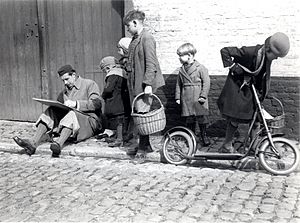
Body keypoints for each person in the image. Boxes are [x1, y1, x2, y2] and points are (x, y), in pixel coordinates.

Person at [217, 32, 290, 153]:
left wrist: (263, 93)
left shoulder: (265, 58)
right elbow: (225, 51)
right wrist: (234, 67)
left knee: (256, 120)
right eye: (276, 55)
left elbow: (262, 76)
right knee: (235, 119)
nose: (276, 58)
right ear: (268, 49)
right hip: (238, 89)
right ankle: (226, 146)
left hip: (251, 90)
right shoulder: (249, 52)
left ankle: (253, 147)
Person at [13, 65, 104, 157]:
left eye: (67, 79)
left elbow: (96, 104)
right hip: (74, 122)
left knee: (72, 114)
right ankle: (33, 143)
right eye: (63, 80)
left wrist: (76, 104)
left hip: (90, 121)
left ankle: (59, 144)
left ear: (74, 75)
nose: (65, 83)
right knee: (52, 110)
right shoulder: (64, 92)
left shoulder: (89, 84)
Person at [123, 9, 165, 156]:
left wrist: (147, 84)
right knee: (140, 116)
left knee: (143, 114)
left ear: (135, 22)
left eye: (128, 26)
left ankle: (143, 148)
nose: (127, 29)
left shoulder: (147, 38)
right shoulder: (136, 39)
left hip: (143, 83)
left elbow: (151, 63)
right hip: (136, 82)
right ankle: (145, 145)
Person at [175, 43, 211, 147]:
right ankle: (191, 136)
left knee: (201, 117)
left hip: (198, 96)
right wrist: (177, 97)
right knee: (189, 118)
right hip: (186, 96)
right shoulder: (181, 70)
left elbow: (207, 82)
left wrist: (203, 96)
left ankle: (204, 136)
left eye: (181, 56)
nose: (179, 58)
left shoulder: (200, 68)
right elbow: (178, 84)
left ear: (189, 55)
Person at [99, 56, 129, 147]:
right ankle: (121, 137)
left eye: (105, 70)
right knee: (122, 119)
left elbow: (108, 89)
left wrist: (103, 96)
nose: (105, 72)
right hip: (123, 100)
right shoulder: (122, 72)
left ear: (108, 67)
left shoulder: (112, 74)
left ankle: (119, 139)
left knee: (119, 120)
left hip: (115, 101)